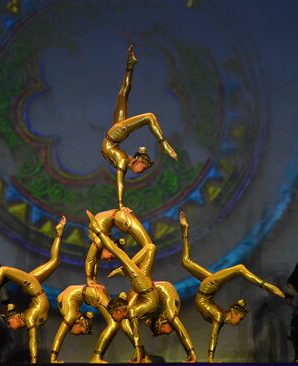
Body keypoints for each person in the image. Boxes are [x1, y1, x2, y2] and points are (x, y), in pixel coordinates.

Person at [179, 211, 284, 362]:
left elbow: (214, 335)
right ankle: (265, 286)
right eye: (240, 319)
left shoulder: (220, 315)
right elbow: (214, 337)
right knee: (239, 269)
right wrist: (211, 359)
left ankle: (185, 229)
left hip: (207, 289)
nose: (238, 322)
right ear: (234, 314)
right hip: (208, 288)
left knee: (185, 261)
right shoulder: (219, 317)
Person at [0, 216, 65, 363]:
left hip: (32, 287)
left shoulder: (29, 318)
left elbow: (32, 341)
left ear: (15, 318)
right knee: (55, 261)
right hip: (35, 286)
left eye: (9, 324)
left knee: (3, 270)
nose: (11, 327)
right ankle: (59, 232)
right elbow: (33, 340)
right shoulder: (28, 317)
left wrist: (34, 361)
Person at [102, 44, 178, 210]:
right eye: (143, 169)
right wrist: (121, 206)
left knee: (122, 95)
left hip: (113, 138)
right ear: (138, 163)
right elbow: (120, 183)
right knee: (149, 117)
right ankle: (163, 144)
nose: (141, 172)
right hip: (115, 136)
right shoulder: (123, 161)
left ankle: (130, 65)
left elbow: (120, 176)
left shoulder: (124, 160)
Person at [86, 210, 158, 363]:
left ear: (118, 311)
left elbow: (94, 259)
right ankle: (142, 356)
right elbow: (95, 261)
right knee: (133, 255)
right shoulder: (130, 310)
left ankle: (141, 356)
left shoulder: (99, 241)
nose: (115, 319)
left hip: (144, 290)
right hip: (144, 291)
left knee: (125, 256)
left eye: (114, 316)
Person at [85, 208, 154, 290]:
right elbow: (94, 261)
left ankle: (126, 270)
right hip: (118, 217)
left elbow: (90, 260)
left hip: (120, 217)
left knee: (149, 246)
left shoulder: (99, 240)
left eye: (110, 258)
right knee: (149, 248)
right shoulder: (100, 242)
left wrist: (89, 279)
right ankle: (136, 273)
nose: (110, 258)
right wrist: (94, 280)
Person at [50, 284, 115, 363]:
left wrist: (53, 358)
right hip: (88, 291)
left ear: (78, 322)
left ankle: (96, 357)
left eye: (81, 332)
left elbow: (59, 337)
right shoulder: (67, 311)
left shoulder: (71, 315)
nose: (80, 335)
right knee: (116, 321)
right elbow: (69, 290)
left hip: (94, 294)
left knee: (114, 323)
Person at [145, 281, 197, 363]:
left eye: (162, 333)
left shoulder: (169, 315)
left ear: (161, 326)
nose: (165, 334)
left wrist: (192, 354)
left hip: (158, 288)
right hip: (161, 287)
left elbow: (182, 334)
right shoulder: (167, 314)